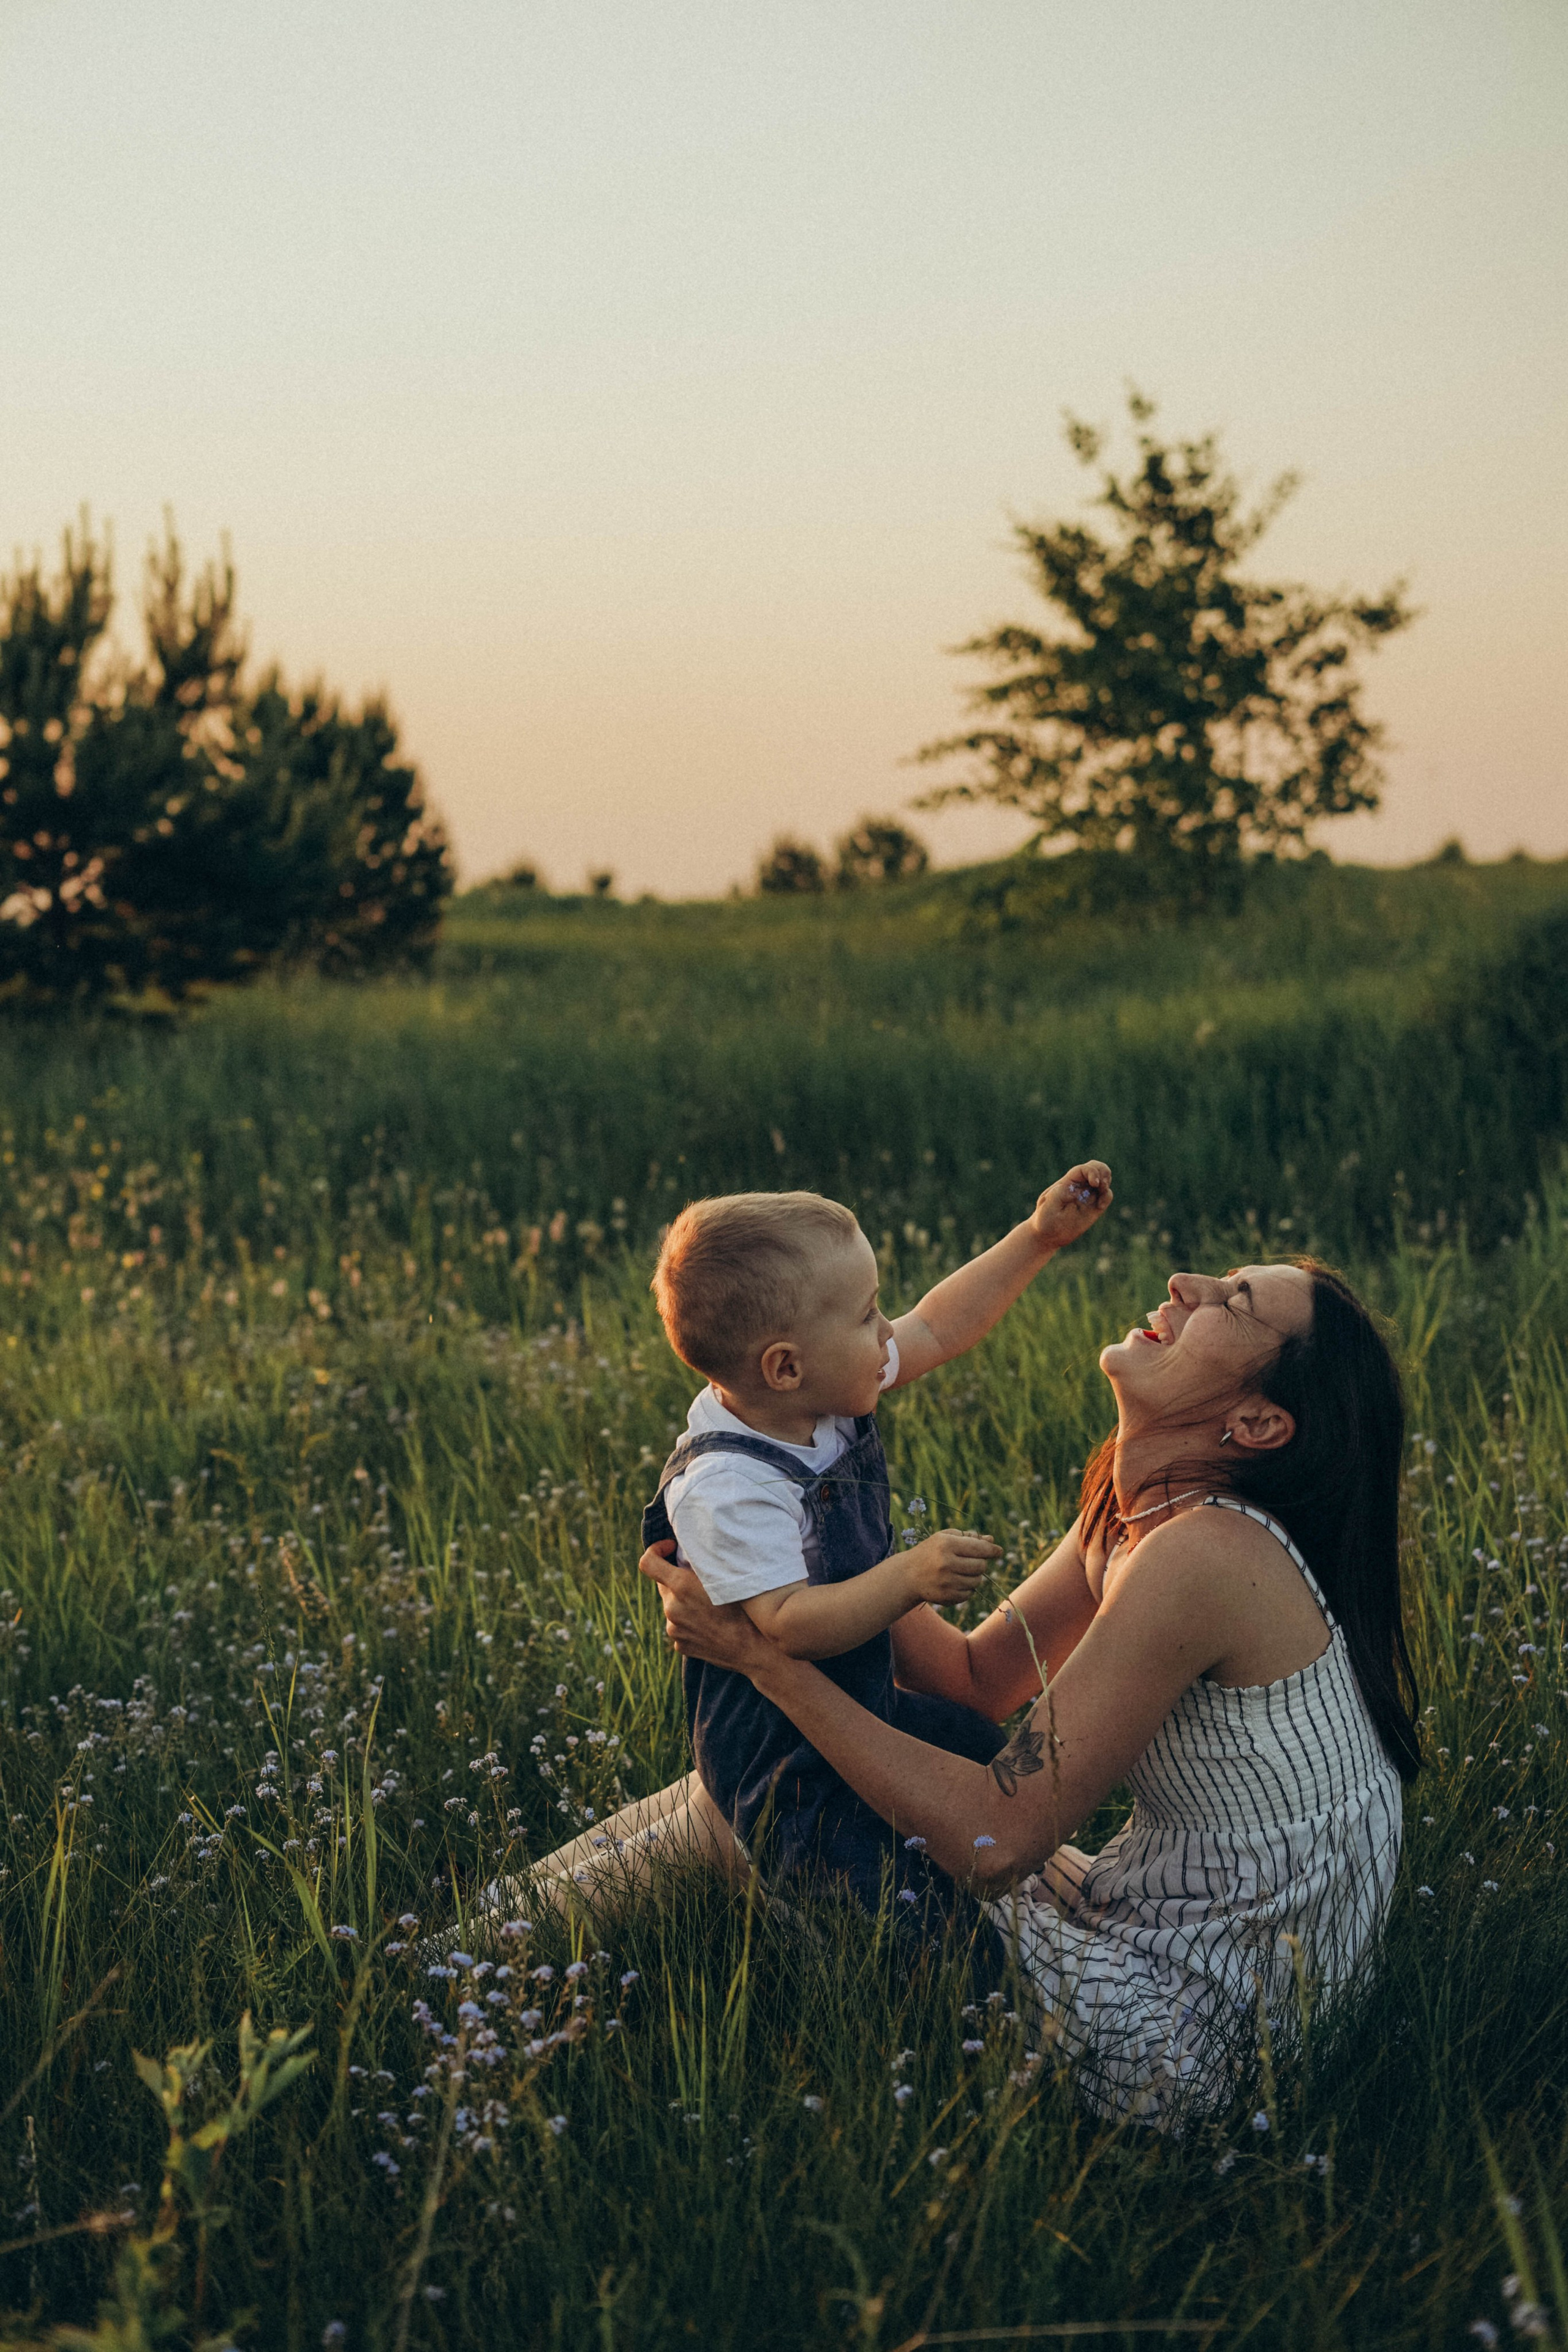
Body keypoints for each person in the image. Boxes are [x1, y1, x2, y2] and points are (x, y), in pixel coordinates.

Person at [609, 1256, 1417, 2125]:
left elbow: (994, 1842)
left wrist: (763, 1660)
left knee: (759, 1805)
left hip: (1197, 2035)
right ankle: (489, 1935)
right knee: (746, 1793)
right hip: (1135, 1919)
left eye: (1238, 1301)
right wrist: (788, 1568)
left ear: (1259, 1421)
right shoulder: (1139, 1505)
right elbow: (976, 1678)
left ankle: (476, 1960)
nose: (1188, 1283)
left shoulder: (1207, 1555)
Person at [635, 1169, 1110, 1914]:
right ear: (784, 1365)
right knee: (896, 1913)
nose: (888, 1331)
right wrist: (910, 1575)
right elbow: (787, 1623)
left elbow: (937, 1327)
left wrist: (1036, 1238)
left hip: (858, 1706)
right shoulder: (729, 1485)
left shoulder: (812, 1399)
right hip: (784, 1760)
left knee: (974, 1746)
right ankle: (938, 1991)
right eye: (866, 1316)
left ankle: (1048, 1896)